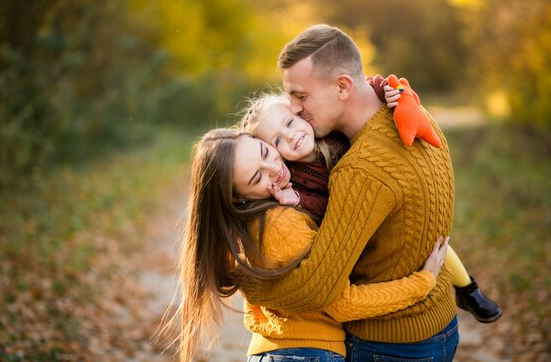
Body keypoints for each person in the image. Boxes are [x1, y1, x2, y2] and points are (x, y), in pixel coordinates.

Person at [238, 24, 462, 362]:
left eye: (301, 96)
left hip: (388, 344)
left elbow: (319, 289)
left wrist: (248, 283)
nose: (294, 109)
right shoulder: (412, 113)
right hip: (439, 323)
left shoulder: (359, 170)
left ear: (343, 86)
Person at [176, 128, 450, 362]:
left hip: (277, 350)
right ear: (239, 198)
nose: (275, 169)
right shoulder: (280, 224)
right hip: (308, 352)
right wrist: (422, 283)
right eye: (257, 178)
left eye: (265, 151)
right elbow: (342, 303)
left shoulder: (244, 225)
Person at [239, 89, 502, 324]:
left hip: (381, 203)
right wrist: (297, 200)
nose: (291, 136)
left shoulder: (332, 133)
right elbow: (324, 211)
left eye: (289, 123)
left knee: (433, 239)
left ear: (300, 114)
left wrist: (383, 88)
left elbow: (353, 91)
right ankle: (406, 294)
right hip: (351, 226)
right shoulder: (293, 179)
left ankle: (468, 289)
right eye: (276, 141)